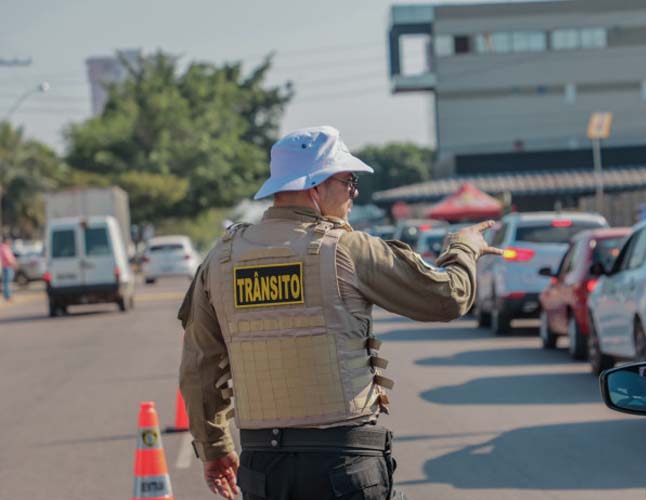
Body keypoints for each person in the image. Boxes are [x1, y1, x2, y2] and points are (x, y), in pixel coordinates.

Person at [178, 126, 503, 500]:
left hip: (263, 468)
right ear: (314, 187)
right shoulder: (348, 249)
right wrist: (464, 248)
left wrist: (214, 448)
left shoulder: (220, 260)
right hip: (344, 464)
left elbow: (199, 366)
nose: (354, 193)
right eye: (348, 181)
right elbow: (448, 297)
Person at [0, 236, 17, 301]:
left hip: (6, 266)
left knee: (6, 282)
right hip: (7, 266)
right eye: (8, 240)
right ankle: (8, 296)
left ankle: (7, 295)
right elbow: (8, 258)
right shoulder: (4, 248)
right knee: (7, 282)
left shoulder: (4, 247)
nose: (9, 241)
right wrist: (13, 264)